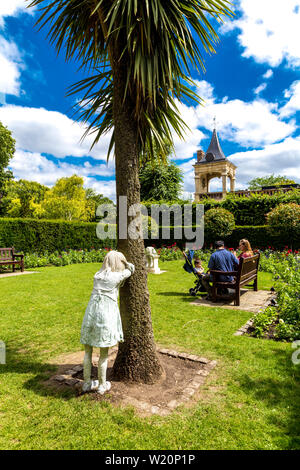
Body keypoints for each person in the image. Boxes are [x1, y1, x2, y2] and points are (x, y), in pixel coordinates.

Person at [80, 250, 135, 394]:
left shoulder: (97, 275)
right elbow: (132, 269)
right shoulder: (117, 276)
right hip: (105, 315)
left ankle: (86, 383)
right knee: (103, 354)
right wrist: (126, 263)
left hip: (91, 313)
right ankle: (102, 385)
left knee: (88, 351)